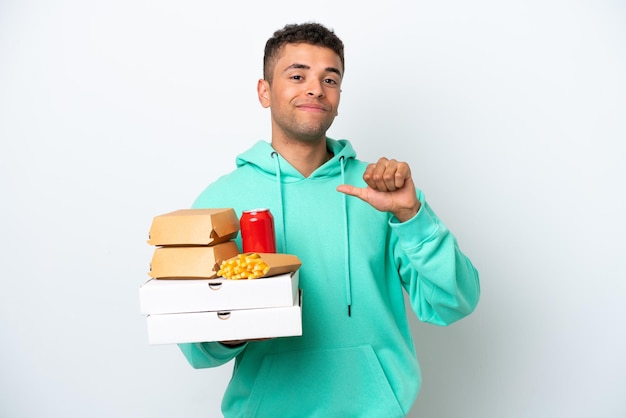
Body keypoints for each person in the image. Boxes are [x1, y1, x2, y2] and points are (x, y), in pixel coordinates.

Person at [178, 22, 480, 417]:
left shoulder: (384, 192)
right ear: (264, 91)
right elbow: (195, 346)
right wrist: (235, 331)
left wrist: (412, 216)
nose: (316, 88)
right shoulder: (220, 203)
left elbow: (453, 303)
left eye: (330, 78)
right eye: (297, 75)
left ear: (338, 96)